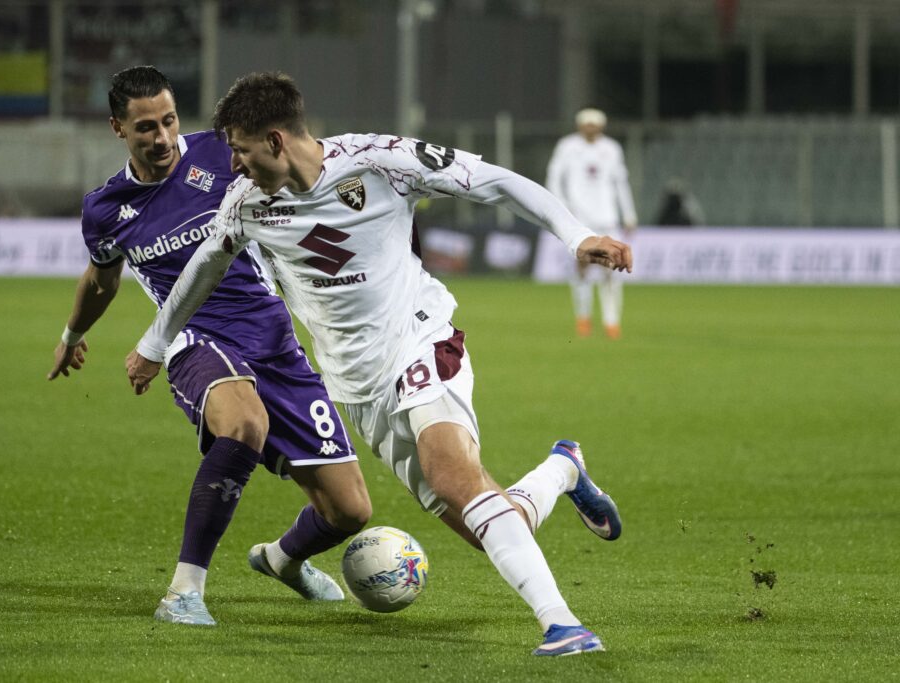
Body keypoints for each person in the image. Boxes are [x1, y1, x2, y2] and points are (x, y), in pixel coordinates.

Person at [127, 72, 631, 657]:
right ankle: (563, 469)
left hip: (420, 339)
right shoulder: (245, 204)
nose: (233, 164)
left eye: (240, 150)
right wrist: (155, 343)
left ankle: (563, 626)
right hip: (357, 387)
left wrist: (576, 237)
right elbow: (204, 268)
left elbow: (494, 181)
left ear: (275, 140)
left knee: (454, 477)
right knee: (485, 523)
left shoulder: (380, 161)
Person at [47, 66, 371, 627]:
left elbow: (295, 174)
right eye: (145, 127)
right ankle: (183, 592)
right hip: (194, 338)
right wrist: (72, 335)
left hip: (272, 336)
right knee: (244, 423)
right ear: (118, 128)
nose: (162, 137)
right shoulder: (105, 208)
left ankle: (282, 560)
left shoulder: (223, 153)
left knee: (349, 511)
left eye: (169, 120)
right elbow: (101, 281)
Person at [545, 108, 638, 339]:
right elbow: (554, 178)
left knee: (612, 268)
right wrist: (561, 209)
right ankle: (583, 317)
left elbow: (621, 182)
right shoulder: (567, 146)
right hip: (580, 219)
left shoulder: (612, 148)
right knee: (582, 268)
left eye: (594, 124)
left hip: (607, 218)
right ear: (580, 125)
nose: (590, 128)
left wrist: (629, 214)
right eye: (587, 124)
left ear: (601, 126)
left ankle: (611, 321)